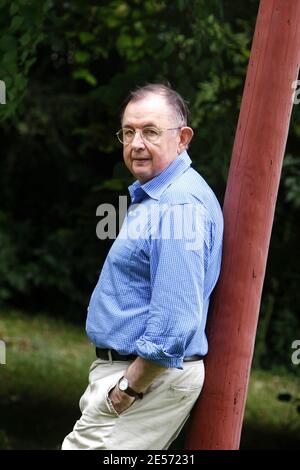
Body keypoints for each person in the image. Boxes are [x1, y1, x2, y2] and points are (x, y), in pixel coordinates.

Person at [62, 83, 223, 450]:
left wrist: (128, 387)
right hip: (133, 378)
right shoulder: (159, 195)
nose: (136, 143)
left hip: (144, 381)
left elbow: (175, 319)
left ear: (182, 138)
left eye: (150, 131)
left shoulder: (178, 206)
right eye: (129, 131)